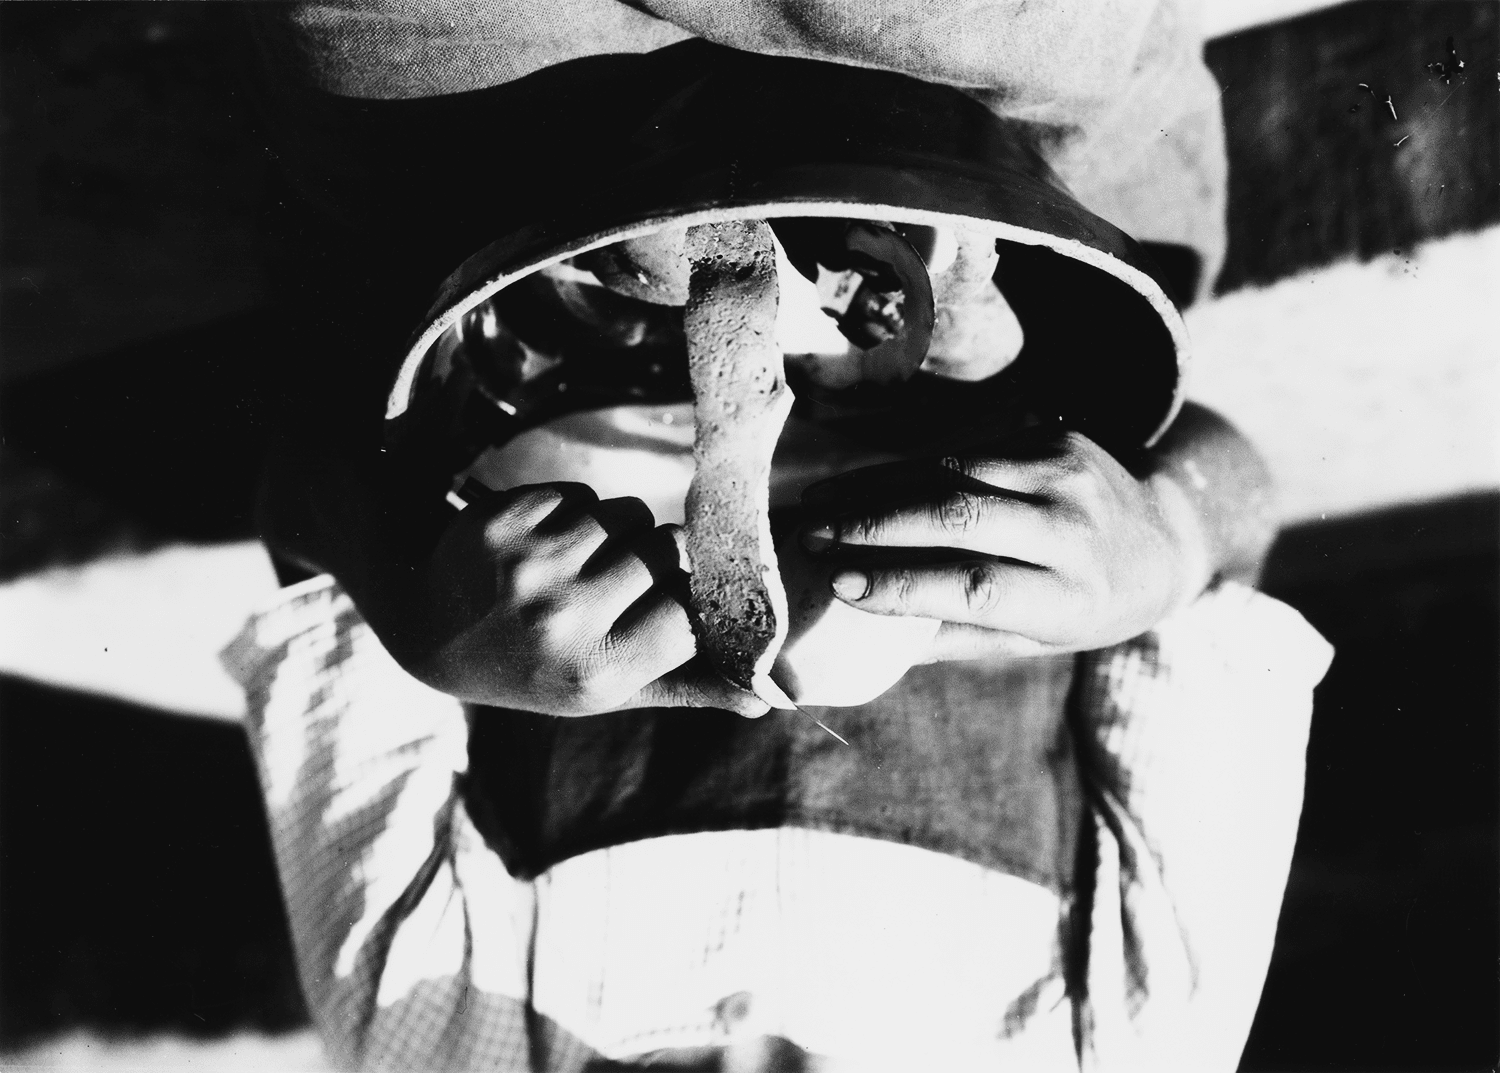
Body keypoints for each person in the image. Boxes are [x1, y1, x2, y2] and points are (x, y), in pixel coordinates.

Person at [225, 2, 1333, 1069]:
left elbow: (298, 501)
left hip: (518, 240)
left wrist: (415, 608)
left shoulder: (440, 1044)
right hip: (1021, 211)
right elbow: (1231, 491)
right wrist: (1163, 547)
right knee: (975, 19)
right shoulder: (1134, 1046)